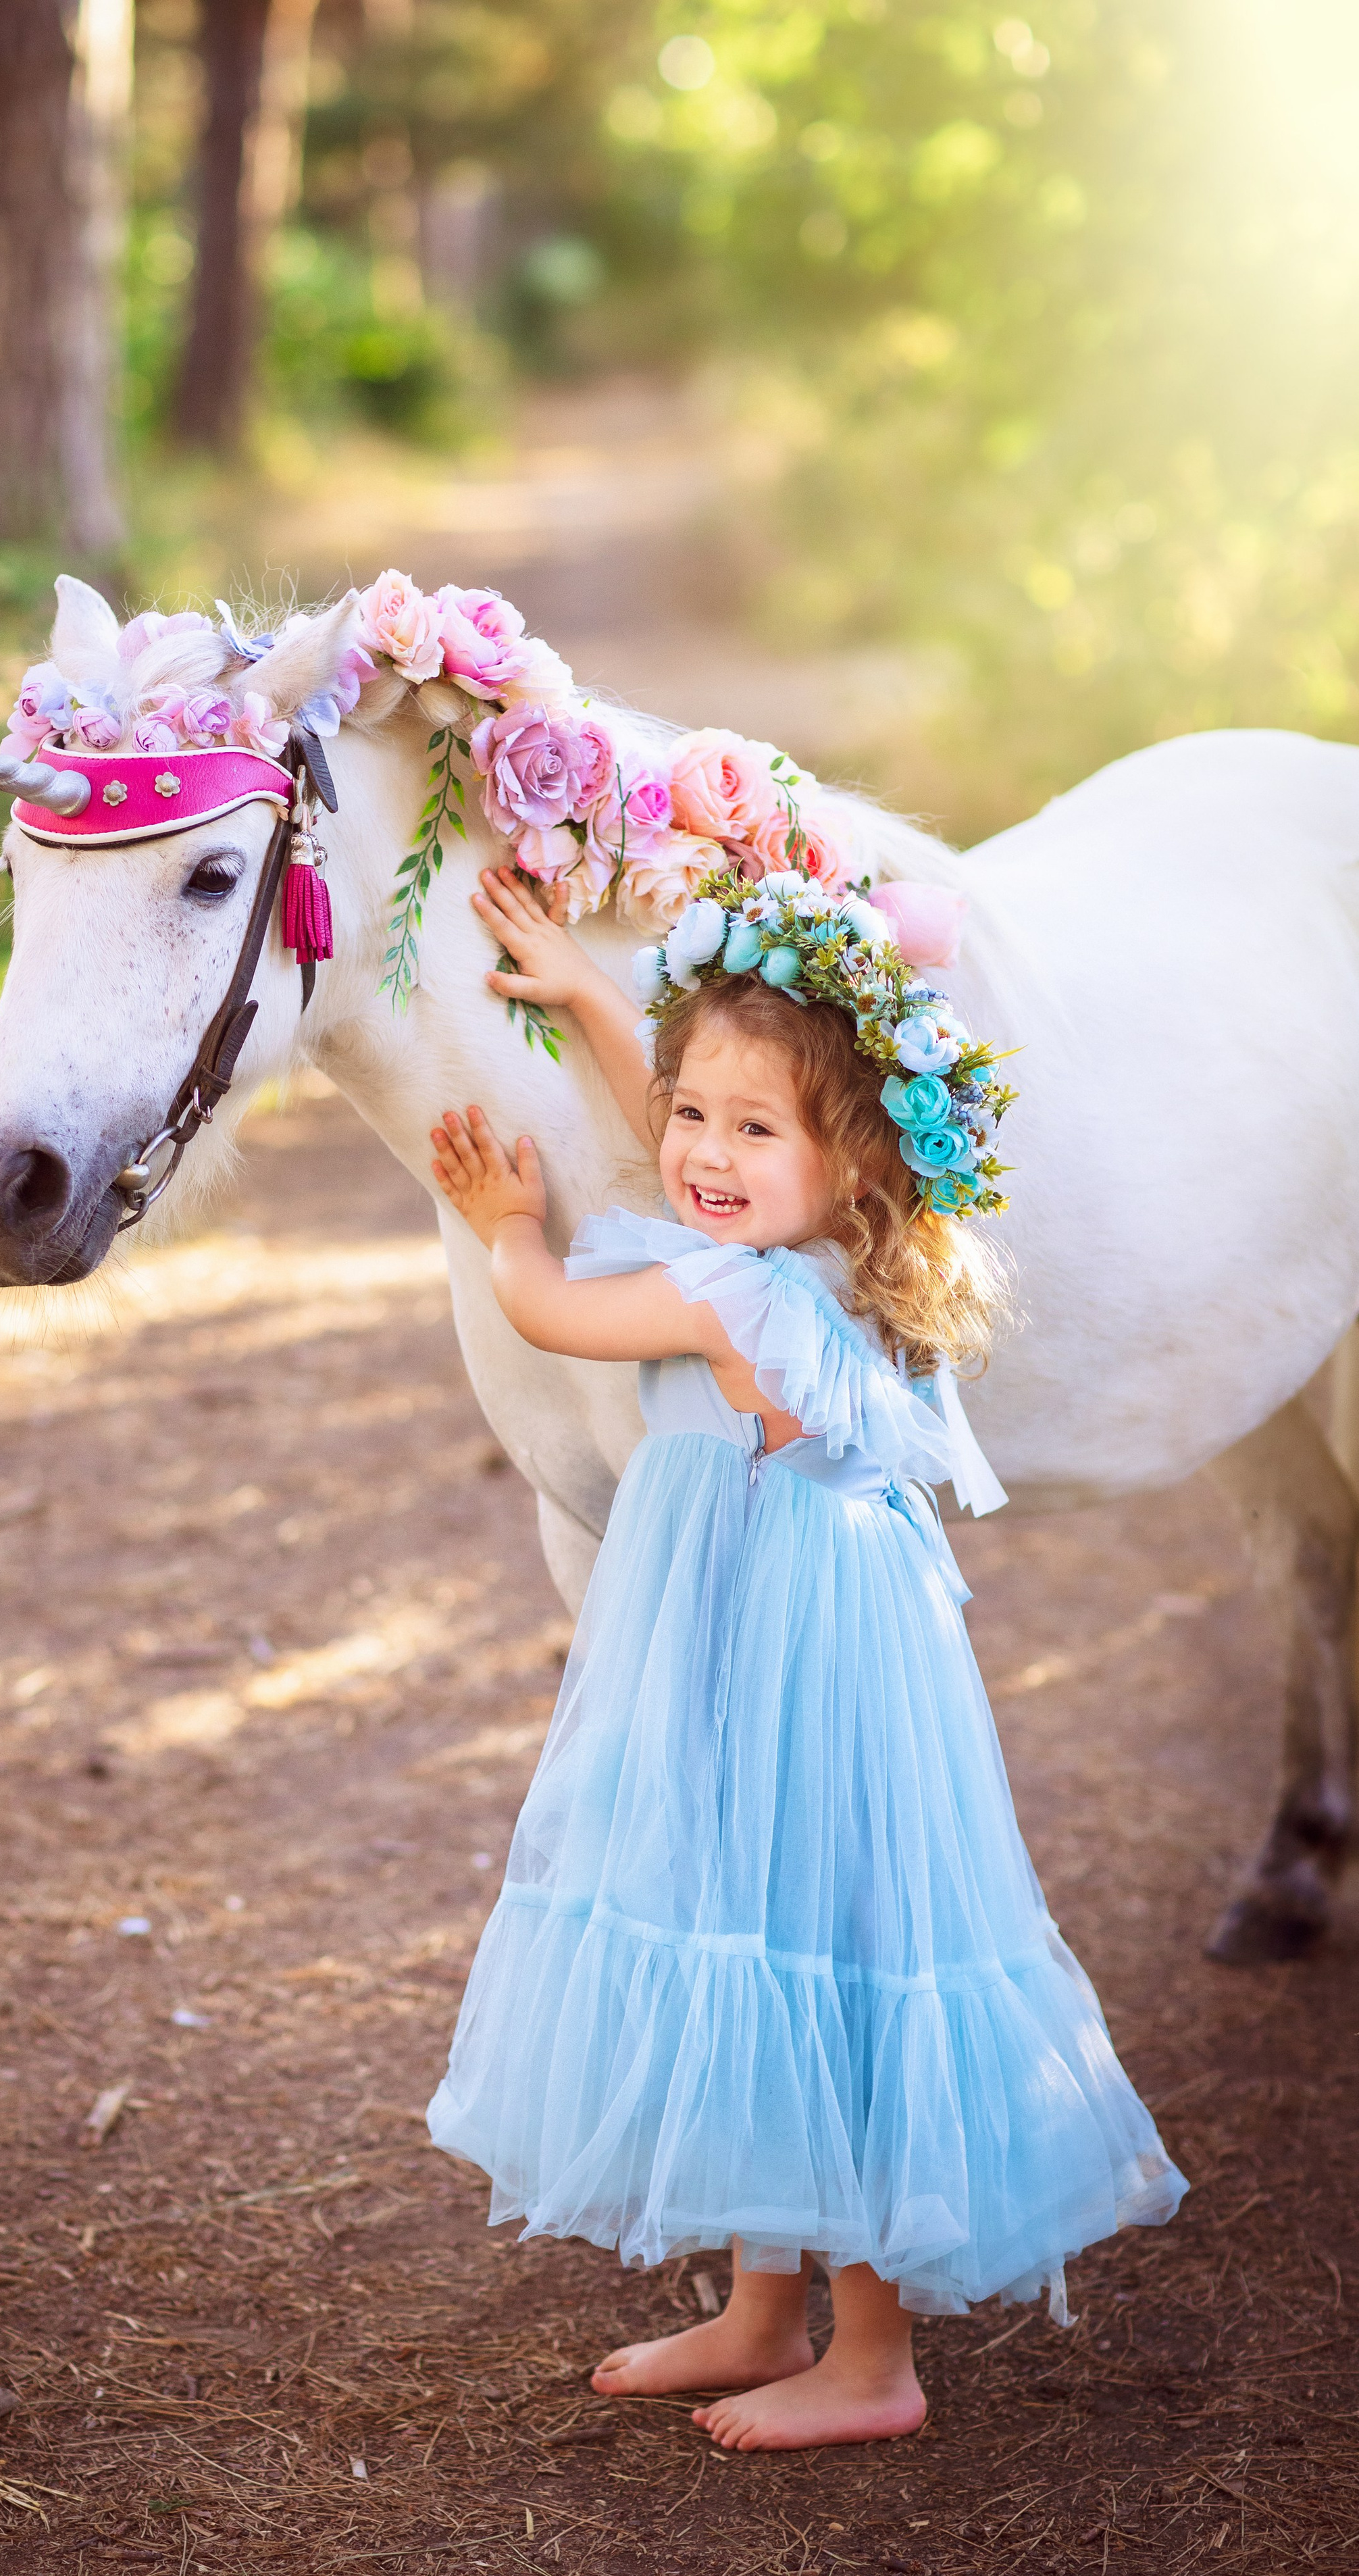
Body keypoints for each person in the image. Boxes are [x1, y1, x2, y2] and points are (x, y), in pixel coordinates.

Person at [423, 864, 1186, 2454]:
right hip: (801, 1624)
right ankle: (761, 2310)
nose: (696, 1149)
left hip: (777, 1634)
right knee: (748, 1919)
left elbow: (558, 1310)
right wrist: (582, 995)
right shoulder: (831, 1247)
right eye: (688, 1109)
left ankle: (868, 2352)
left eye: (746, 1128)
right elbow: (731, 1164)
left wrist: (502, 1228)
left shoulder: (725, 1294)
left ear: (844, 1158)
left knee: (811, 1947)